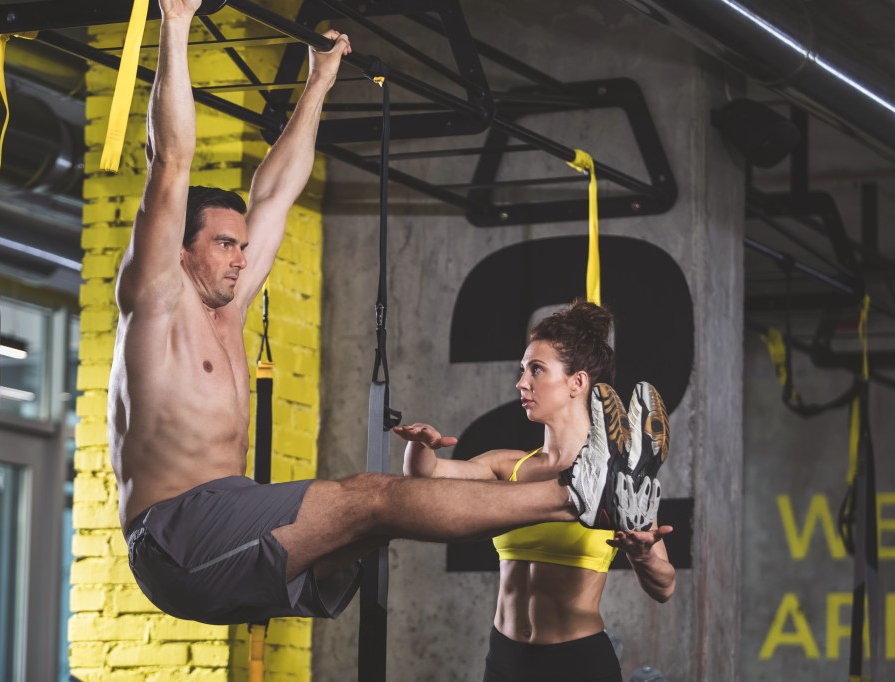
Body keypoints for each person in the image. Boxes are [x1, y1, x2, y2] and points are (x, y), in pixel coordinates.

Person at [110, 0, 660, 628]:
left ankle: (591, 491)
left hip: (228, 536)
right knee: (374, 498)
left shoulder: (228, 308)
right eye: (223, 245)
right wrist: (175, 24)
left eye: (242, 245)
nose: (240, 259)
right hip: (176, 537)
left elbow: (276, 190)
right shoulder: (155, 300)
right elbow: (171, 163)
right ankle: (577, 493)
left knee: (380, 521)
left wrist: (319, 80)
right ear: (179, 251)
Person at [396, 302, 675, 682]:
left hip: (577, 662)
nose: (521, 382)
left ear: (577, 382)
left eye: (536, 370)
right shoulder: (506, 465)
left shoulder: (616, 475)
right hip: (505, 660)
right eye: (522, 370)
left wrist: (643, 556)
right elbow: (426, 476)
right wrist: (421, 444)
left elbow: (665, 586)